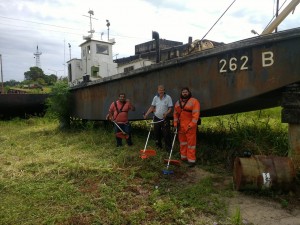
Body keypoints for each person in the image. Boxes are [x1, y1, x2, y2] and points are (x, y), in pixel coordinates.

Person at [173, 87, 200, 167]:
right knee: (183, 143)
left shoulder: (194, 101)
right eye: (183, 92)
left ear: (189, 93)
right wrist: (175, 124)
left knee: (191, 144)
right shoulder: (178, 103)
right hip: (181, 126)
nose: (185, 93)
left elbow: (196, 116)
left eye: (186, 92)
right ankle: (183, 157)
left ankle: (191, 161)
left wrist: (191, 125)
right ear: (181, 93)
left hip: (190, 127)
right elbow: (175, 114)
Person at [144, 85, 173, 152]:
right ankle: (158, 147)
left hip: (165, 118)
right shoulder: (155, 97)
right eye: (159, 90)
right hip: (156, 118)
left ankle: (168, 149)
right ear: (157, 90)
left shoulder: (168, 97)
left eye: (162, 90)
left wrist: (166, 113)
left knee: (166, 134)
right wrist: (146, 114)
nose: (161, 91)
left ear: (164, 90)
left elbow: (170, 108)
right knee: (157, 133)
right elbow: (152, 107)